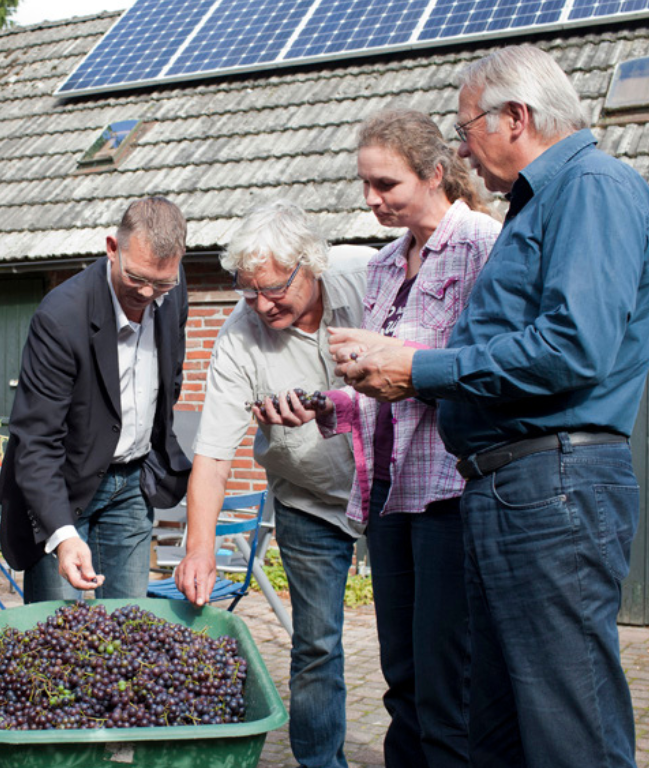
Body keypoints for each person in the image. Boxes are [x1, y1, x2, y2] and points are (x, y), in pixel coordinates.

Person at [335, 45, 649, 768]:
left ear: (516, 117)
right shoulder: (541, 203)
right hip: (510, 487)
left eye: (465, 127)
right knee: (498, 725)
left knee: (570, 726)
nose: (461, 149)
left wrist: (421, 369)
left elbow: (575, 346)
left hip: (552, 483)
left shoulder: (592, 187)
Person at [265, 112, 500, 767]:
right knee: (403, 680)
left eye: (386, 184)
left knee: (446, 689)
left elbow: (485, 364)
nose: (371, 198)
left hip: (452, 490)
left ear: (434, 174)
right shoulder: (384, 264)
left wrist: (393, 354)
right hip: (391, 494)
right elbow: (383, 386)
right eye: (365, 183)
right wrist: (320, 404)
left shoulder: (485, 243)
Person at [173, 199, 373, 768]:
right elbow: (212, 455)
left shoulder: (366, 278)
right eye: (247, 290)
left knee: (417, 643)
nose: (260, 304)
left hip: (390, 491)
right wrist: (200, 548)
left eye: (274, 289)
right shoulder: (240, 336)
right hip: (307, 500)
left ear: (310, 265)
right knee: (316, 647)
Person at [0, 196, 192, 602]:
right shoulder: (61, 316)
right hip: (62, 491)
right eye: (137, 277)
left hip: (133, 485)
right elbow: (36, 439)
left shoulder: (172, 291)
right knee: (59, 635)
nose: (147, 292)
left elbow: (169, 378)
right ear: (111, 247)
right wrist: (63, 534)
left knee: (128, 625)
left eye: (162, 283)